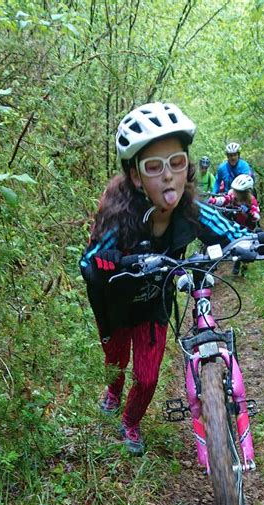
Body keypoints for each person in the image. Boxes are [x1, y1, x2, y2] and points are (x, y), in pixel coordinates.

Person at [79, 102, 250, 456]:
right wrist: (109, 262)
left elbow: (230, 233)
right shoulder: (119, 216)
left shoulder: (190, 210)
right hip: (116, 306)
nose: (168, 175)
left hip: (154, 304)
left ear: (187, 166)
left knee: (148, 377)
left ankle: (130, 422)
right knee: (116, 363)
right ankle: (112, 391)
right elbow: (89, 262)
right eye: (154, 167)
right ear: (137, 176)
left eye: (176, 162)